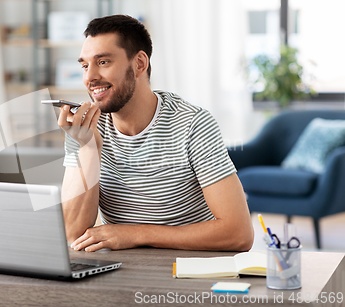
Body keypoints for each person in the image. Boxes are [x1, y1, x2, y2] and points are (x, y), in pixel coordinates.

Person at [57, 15, 253, 252]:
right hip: (121, 272)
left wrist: (136, 234)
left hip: (189, 270)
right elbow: (73, 233)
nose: (89, 78)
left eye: (104, 62)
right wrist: (87, 148)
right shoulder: (85, 128)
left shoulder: (193, 124)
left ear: (139, 64)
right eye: (85, 66)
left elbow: (239, 234)